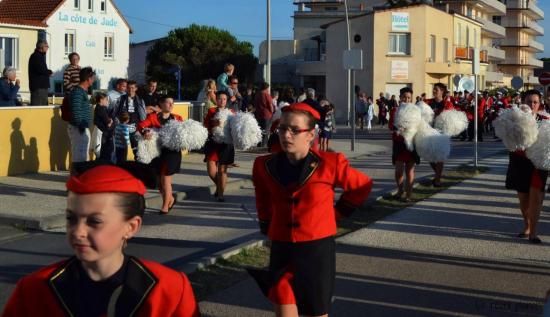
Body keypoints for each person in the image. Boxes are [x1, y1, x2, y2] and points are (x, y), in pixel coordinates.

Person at [1, 163, 200, 316]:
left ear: (131, 227)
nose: (78, 231)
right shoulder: (34, 290)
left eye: (94, 221)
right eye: (71, 218)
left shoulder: (168, 289)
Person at [249, 102, 372, 317]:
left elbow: (362, 186)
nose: (286, 135)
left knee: (316, 310)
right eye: (282, 128)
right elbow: (262, 196)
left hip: (316, 249)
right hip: (282, 247)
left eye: (295, 130)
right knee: (282, 300)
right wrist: (267, 225)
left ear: (311, 134)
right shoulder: (263, 165)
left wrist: (337, 213)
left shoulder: (331, 163)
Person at [505, 90, 548, 244]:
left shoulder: (546, 119)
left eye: (535, 102)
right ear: (523, 103)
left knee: (536, 198)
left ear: (539, 104)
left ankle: (533, 233)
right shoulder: (513, 118)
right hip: (519, 161)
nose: (532, 105)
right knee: (524, 199)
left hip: (538, 163)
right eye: (529, 101)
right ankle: (527, 225)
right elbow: (506, 138)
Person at [137, 96, 183, 214]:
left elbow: (183, 134)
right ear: (161, 104)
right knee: (159, 182)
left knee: (166, 179)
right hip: (157, 152)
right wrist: (145, 131)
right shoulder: (153, 117)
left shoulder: (177, 118)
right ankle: (171, 199)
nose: (171, 105)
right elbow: (141, 125)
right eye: (168, 102)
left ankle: (164, 206)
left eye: (172, 103)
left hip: (172, 152)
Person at [203, 91, 235, 202]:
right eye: (220, 99)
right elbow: (205, 126)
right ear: (216, 100)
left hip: (226, 144)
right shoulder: (211, 111)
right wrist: (214, 124)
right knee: (211, 171)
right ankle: (219, 186)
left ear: (227, 100)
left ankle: (220, 194)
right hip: (213, 143)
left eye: (224, 99)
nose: (222, 101)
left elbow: (235, 129)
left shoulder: (232, 113)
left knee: (222, 171)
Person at [389, 87, 420, 202]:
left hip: (411, 143)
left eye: (408, 98)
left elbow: (419, 125)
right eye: (404, 98)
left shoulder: (416, 110)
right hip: (398, 144)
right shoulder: (394, 110)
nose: (406, 100)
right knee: (398, 170)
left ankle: (409, 195)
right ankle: (400, 190)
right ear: (400, 98)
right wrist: (398, 128)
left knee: (410, 170)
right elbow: (391, 126)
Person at [426, 83, 454, 187]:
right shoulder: (428, 102)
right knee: (430, 157)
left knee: (440, 158)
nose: (434, 91)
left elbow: (450, 118)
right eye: (433, 89)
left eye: (436, 90)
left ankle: (437, 180)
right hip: (429, 133)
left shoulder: (447, 104)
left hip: (442, 134)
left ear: (442, 91)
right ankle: (439, 175)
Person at [68, 67, 95, 167]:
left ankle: (79, 177)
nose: (93, 80)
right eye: (93, 78)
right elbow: (76, 110)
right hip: (78, 128)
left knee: (82, 155)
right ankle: (77, 179)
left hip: (81, 127)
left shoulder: (82, 91)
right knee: (79, 157)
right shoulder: (78, 92)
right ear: (88, 79)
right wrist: (81, 126)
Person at [114, 81, 147, 160]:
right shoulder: (121, 99)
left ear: (136, 88)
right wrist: (118, 124)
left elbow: (143, 117)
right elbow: (115, 112)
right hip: (122, 128)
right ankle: (121, 169)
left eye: (132, 88)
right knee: (121, 152)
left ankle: (138, 169)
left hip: (134, 129)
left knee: (137, 151)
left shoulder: (140, 100)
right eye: (128, 88)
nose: (130, 90)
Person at [28, 40, 53, 105]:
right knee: (39, 106)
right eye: (46, 46)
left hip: (41, 87)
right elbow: (41, 69)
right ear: (42, 47)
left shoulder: (39, 56)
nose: (47, 48)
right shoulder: (36, 56)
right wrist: (49, 72)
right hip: (39, 87)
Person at [92, 93, 113, 160]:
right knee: (100, 151)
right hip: (101, 131)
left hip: (100, 131)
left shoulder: (100, 108)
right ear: (101, 100)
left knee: (101, 150)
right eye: (106, 100)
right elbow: (108, 121)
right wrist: (110, 121)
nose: (108, 101)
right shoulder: (101, 108)